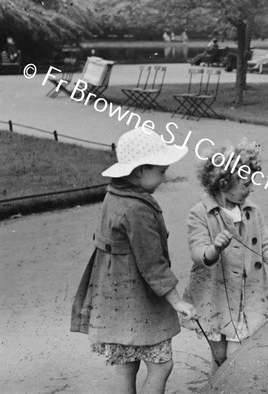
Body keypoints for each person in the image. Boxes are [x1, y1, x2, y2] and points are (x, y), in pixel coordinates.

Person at [71, 127, 197, 394]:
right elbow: (153, 265)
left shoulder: (114, 196)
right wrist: (177, 302)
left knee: (126, 364)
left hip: (114, 301)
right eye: (161, 171)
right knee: (161, 365)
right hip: (139, 302)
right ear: (140, 171)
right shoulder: (138, 209)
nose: (165, 176)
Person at [183, 140, 268, 373]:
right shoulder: (200, 213)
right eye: (245, 184)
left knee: (237, 355)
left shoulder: (252, 211)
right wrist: (214, 248)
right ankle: (216, 389)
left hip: (246, 297)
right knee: (219, 355)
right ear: (224, 183)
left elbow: (266, 242)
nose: (250, 189)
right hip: (215, 296)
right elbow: (198, 252)